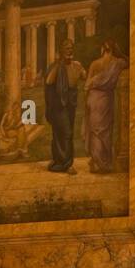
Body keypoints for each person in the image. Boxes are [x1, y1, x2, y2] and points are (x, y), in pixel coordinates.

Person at [84, 40, 128, 172]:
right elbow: (129, 61)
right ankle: (105, 163)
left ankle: (97, 164)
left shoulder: (95, 63)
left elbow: (87, 85)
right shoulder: (118, 63)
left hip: (94, 97)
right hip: (107, 98)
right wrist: (120, 54)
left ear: (103, 49)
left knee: (95, 130)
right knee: (105, 130)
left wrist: (86, 101)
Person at [44, 39, 86, 174]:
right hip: (59, 104)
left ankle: (59, 161)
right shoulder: (56, 66)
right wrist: (58, 64)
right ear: (61, 51)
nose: (70, 50)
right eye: (66, 48)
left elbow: (85, 76)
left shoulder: (77, 65)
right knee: (64, 133)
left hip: (71, 104)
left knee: (66, 133)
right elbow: (49, 81)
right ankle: (67, 164)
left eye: (71, 48)